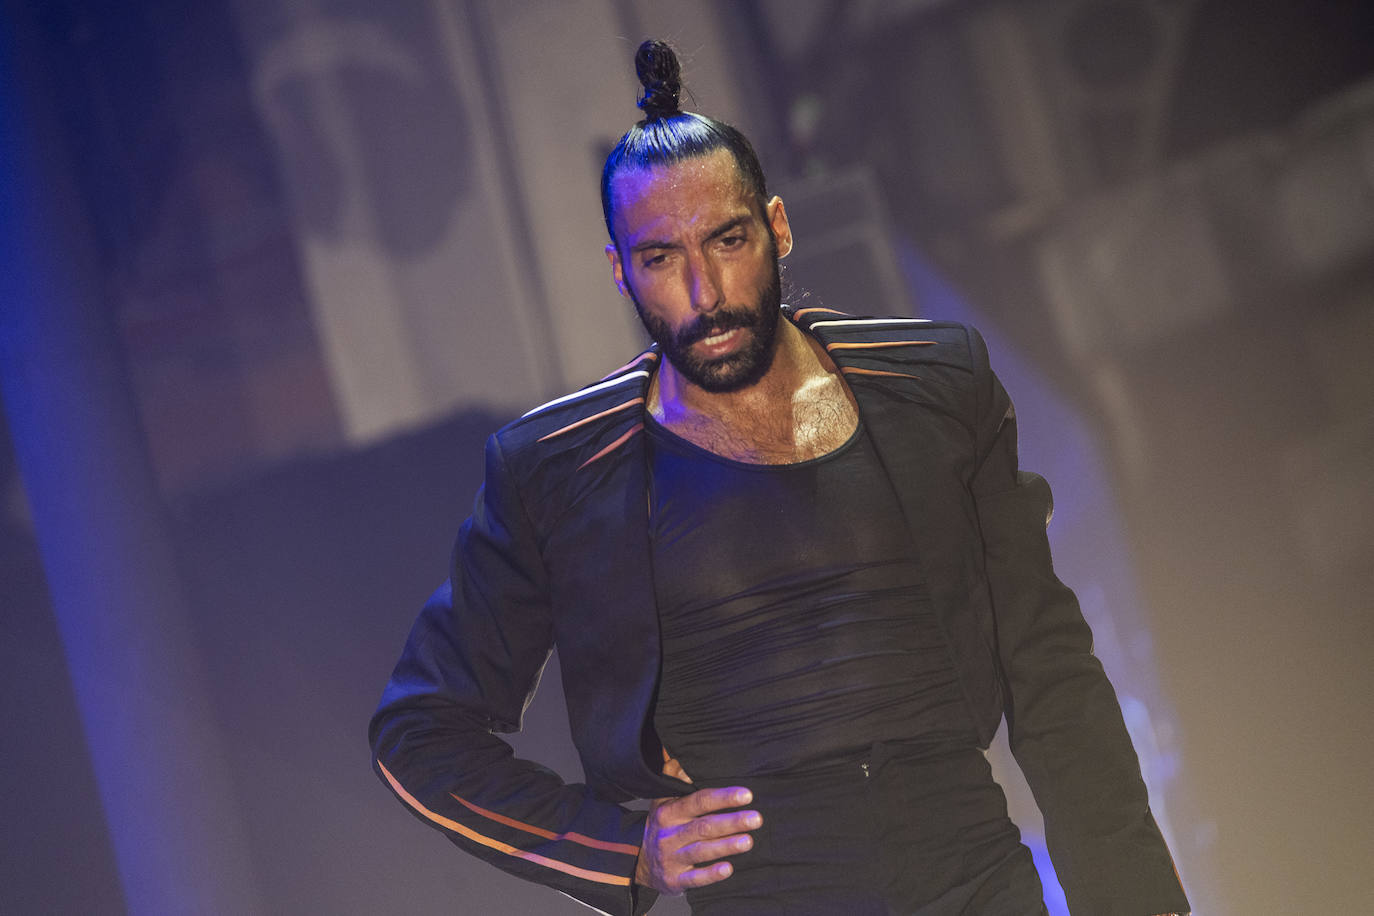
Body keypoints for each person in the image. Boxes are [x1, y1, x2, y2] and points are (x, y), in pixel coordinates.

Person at [369, 40, 1190, 916]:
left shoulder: (932, 384)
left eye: (727, 241)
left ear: (778, 227)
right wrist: (625, 851)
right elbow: (419, 733)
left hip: (978, 876)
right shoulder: (560, 468)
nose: (704, 292)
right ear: (621, 272)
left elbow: (1050, 673)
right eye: (659, 260)